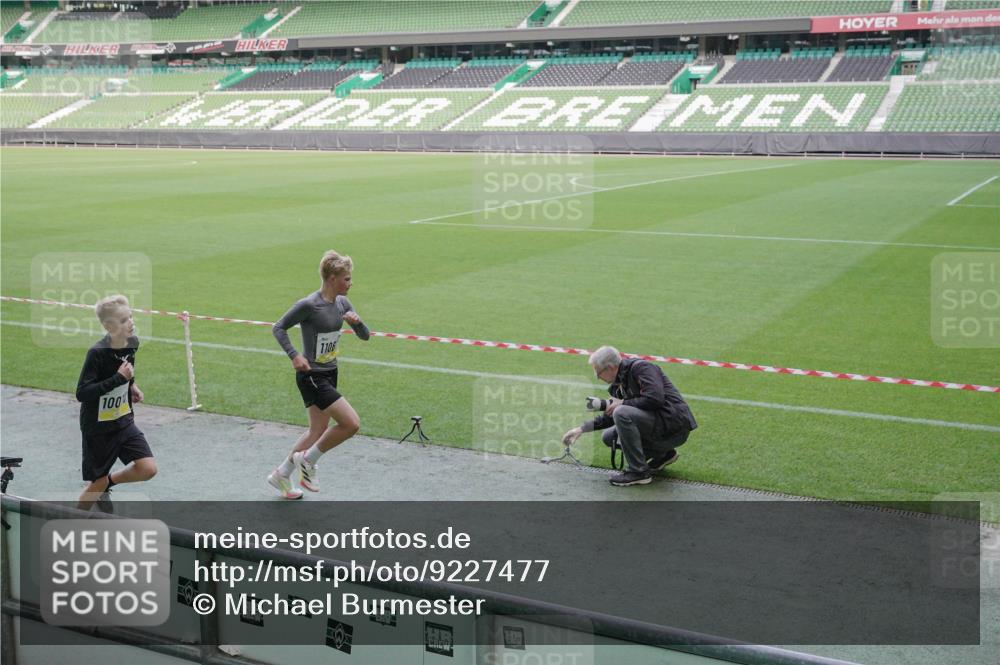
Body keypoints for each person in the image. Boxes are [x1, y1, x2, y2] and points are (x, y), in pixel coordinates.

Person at [268, 250, 370, 499]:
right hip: (311, 375)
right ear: (332, 278)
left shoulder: (343, 304)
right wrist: (294, 355)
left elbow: (365, 335)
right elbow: (278, 327)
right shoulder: (309, 305)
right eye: (346, 278)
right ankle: (308, 460)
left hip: (330, 372)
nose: (350, 282)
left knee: (317, 430)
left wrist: (357, 323)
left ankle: (281, 474)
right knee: (351, 423)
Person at [562, 345, 697, 487]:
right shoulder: (618, 384)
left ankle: (638, 472)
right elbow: (609, 417)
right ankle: (663, 454)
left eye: (598, 372)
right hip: (660, 428)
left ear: (610, 367)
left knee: (621, 412)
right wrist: (581, 429)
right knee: (609, 437)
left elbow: (655, 399)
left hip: (674, 428)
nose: (598, 378)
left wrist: (622, 403)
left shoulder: (642, 368)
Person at [76, 295, 157, 509]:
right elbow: (82, 392)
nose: (130, 322)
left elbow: (127, 369)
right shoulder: (97, 353)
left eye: (130, 317)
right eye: (123, 320)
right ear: (108, 326)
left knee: (148, 468)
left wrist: (131, 386)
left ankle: (106, 483)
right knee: (92, 490)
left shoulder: (132, 343)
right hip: (98, 429)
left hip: (123, 420)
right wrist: (118, 379)